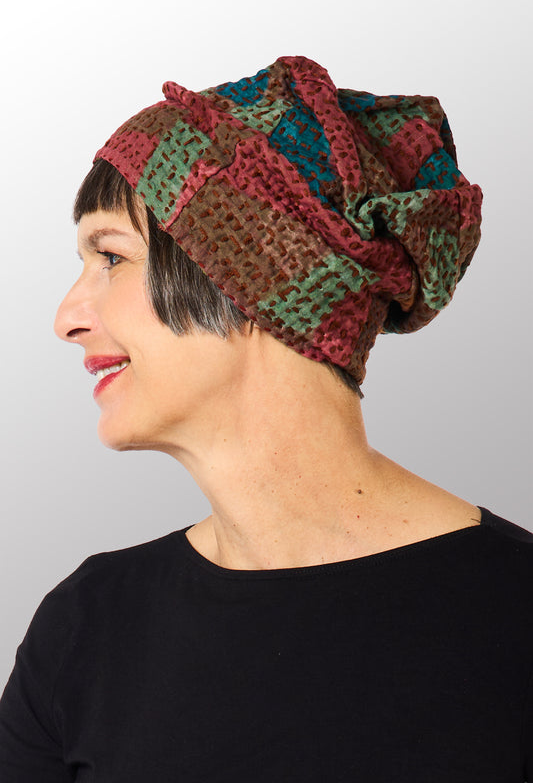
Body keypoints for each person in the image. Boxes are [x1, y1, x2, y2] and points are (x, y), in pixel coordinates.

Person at [0, 55, 531, 781]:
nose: (67, 318)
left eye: (111, 257)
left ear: (252, 278)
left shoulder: (515, 620)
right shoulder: (86, 627)